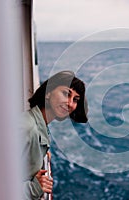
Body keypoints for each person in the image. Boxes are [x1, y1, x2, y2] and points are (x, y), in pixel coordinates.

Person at [20, 71, 88, 199]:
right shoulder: (25, 128)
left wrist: (41, 154)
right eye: (66, 94)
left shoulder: (38, 123)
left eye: (75, 100)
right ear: (48, 93)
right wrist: (33, 188)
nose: (70, 103)